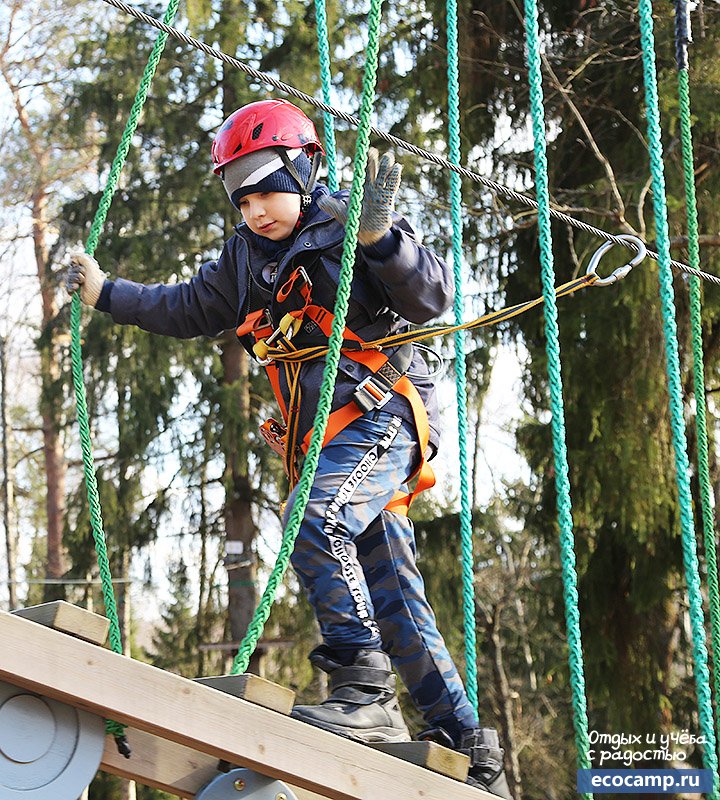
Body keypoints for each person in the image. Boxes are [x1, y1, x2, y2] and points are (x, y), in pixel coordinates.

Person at [65, 98, 510, 798]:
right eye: (241, 199)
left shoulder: (345, 227)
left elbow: (429, 298)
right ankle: (463, 742)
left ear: (305, 171)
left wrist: (381, 239)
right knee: (391, 585)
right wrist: (105, 293)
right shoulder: (244, 262)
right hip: (330, 440)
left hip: (383, 411)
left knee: (314, 517)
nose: (257, 209)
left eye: (269, 188)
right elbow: (181, 307)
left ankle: (363, 693)